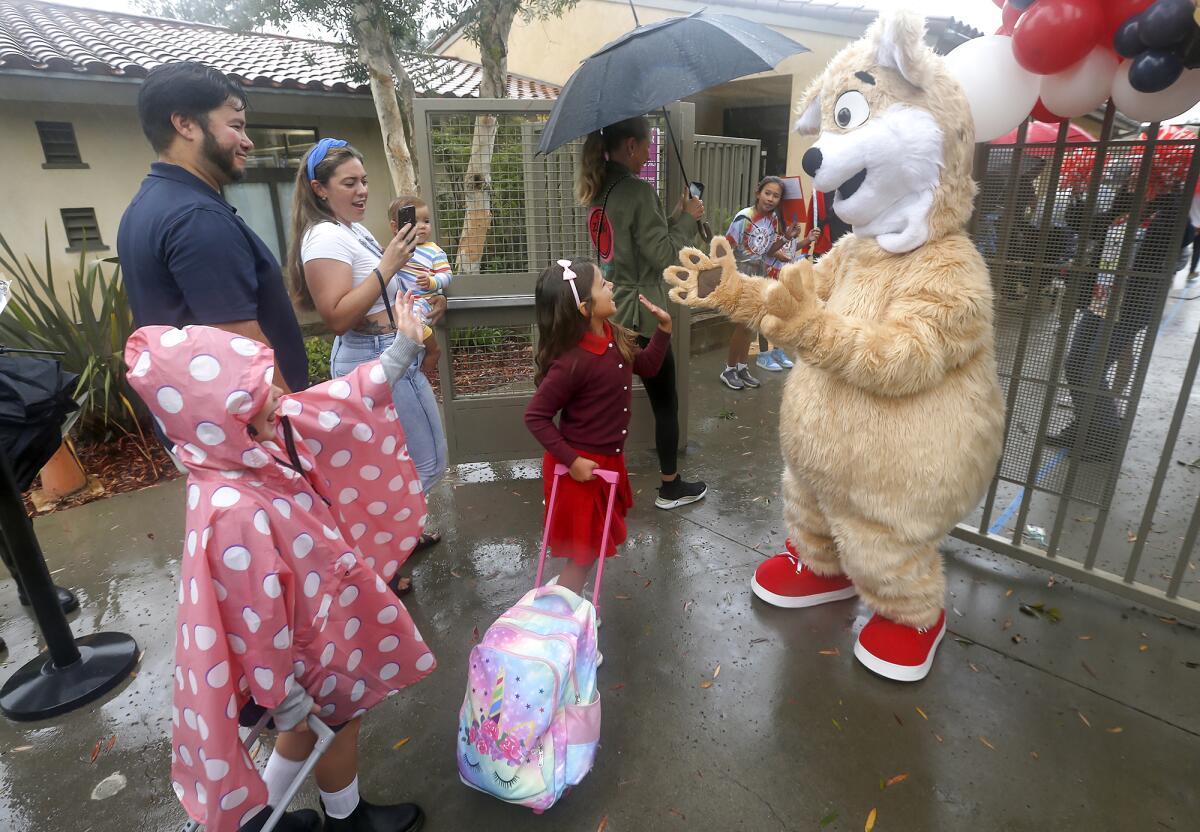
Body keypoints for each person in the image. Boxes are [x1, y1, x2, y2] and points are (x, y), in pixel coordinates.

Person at [124, 293, 436, 832]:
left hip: (303, 636)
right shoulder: (234, 508)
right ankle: (346, 819)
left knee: (311, 731)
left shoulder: (234, 451)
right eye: (255, 397)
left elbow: (336, 403)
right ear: (219, 419)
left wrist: (404, 347)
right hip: (298, 651)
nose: (276, 399)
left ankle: (259, 819)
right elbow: (253, 612)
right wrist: (280, 690)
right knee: (337, 725)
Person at [288, 140, 446, 593]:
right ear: (319, 189)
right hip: (372, 356)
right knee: (412, 463)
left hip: (391, 350)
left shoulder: (351, 229)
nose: (362, 191)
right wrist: (388, 264)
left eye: (364, 181)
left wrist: (424, 303)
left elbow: (387, 289)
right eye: (349, 183)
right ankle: (383, 558)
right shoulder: (324, 237)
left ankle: (401, 536)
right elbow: (336, 315)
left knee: (399, 460)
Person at [118, 62, 306, 394]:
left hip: (201, 428)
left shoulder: (144, 206)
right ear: (185, 124)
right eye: (236, 125)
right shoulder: (197, 216)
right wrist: (294, 425)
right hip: (252, 432)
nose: (248, 142)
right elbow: (243, 351)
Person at [577, 117, 707, 510]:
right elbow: (665, 255)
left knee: (601, 404)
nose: (650, 154)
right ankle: (671, 486)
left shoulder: (600, 189)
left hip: (609, 311)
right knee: (665, 402)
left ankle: (592, 482)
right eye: (647, 146)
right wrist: (690, 218)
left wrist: (676, 214)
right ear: (631, 145)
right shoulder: (637, 190)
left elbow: (639, 242)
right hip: (643, 316)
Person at [524, 259, 672, 593]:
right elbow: (536, 416)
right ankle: (567, 608)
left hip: (606, 463)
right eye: (603, 284)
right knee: (585, 550)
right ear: (584, 307)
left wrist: (663, 331)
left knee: (589, 545)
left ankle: (568, 592)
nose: (612, 287)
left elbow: (647, 366)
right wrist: (572, 461)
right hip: (580, 468)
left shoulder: (613, 336)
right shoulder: (571, 361)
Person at [1049, 185, 1186, 459]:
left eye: (1141, 172)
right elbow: (1084, 224)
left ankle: (1107, 438)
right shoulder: (1128, 195)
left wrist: (1149, 206)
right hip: (1101, 296)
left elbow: (1174, 244)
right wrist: (1079, 193)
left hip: (1131, 304)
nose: (1134, 174)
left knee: (1092, 368)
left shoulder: (1173, 208)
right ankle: (1086, 425)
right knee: (1075, 364)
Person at [722, 176, 817, 384]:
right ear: (758, 193)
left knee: (751, 326)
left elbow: (769, 250)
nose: (771, 199)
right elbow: (726, 248)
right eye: (767, 193)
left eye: (776, 196)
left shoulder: (773, 220)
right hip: (742, 275)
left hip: (760, 276)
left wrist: (786, 237)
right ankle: (729, 369)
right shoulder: (743, 218)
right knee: (742, 325)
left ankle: (742, 367)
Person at [387, 196, 451, 375]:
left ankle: (433, 350)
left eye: (426, 221)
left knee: (413, 321)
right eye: (414, 222)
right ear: (395, 227)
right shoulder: (395, 249)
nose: (422, 226)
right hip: (402, 300)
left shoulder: (434, 251)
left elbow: (446, 275)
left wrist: (433, 282)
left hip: (423, 300)